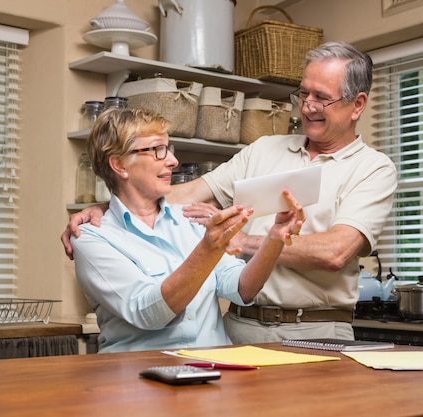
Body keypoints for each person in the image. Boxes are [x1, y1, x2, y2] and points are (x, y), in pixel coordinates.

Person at [62, 41, 397, 344]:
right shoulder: (264, 149)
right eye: (303, 93)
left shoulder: (372, 168)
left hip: (316, 328)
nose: (307, 106)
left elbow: (335, 253)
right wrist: (109, 207)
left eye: (321, 97)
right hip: (239, 327)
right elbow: (190, 193)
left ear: (357, 105)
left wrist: (244, 243)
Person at [70, 107, 304, 353]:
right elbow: (148, 313)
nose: (172, 161)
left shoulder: (189, 218)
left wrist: (275, 237)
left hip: (214, 373)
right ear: (119, 164)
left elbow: (241, 289)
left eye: (169, 149)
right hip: (140, 380)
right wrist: (208, 249)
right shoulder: (92, 237)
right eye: (158, 150)